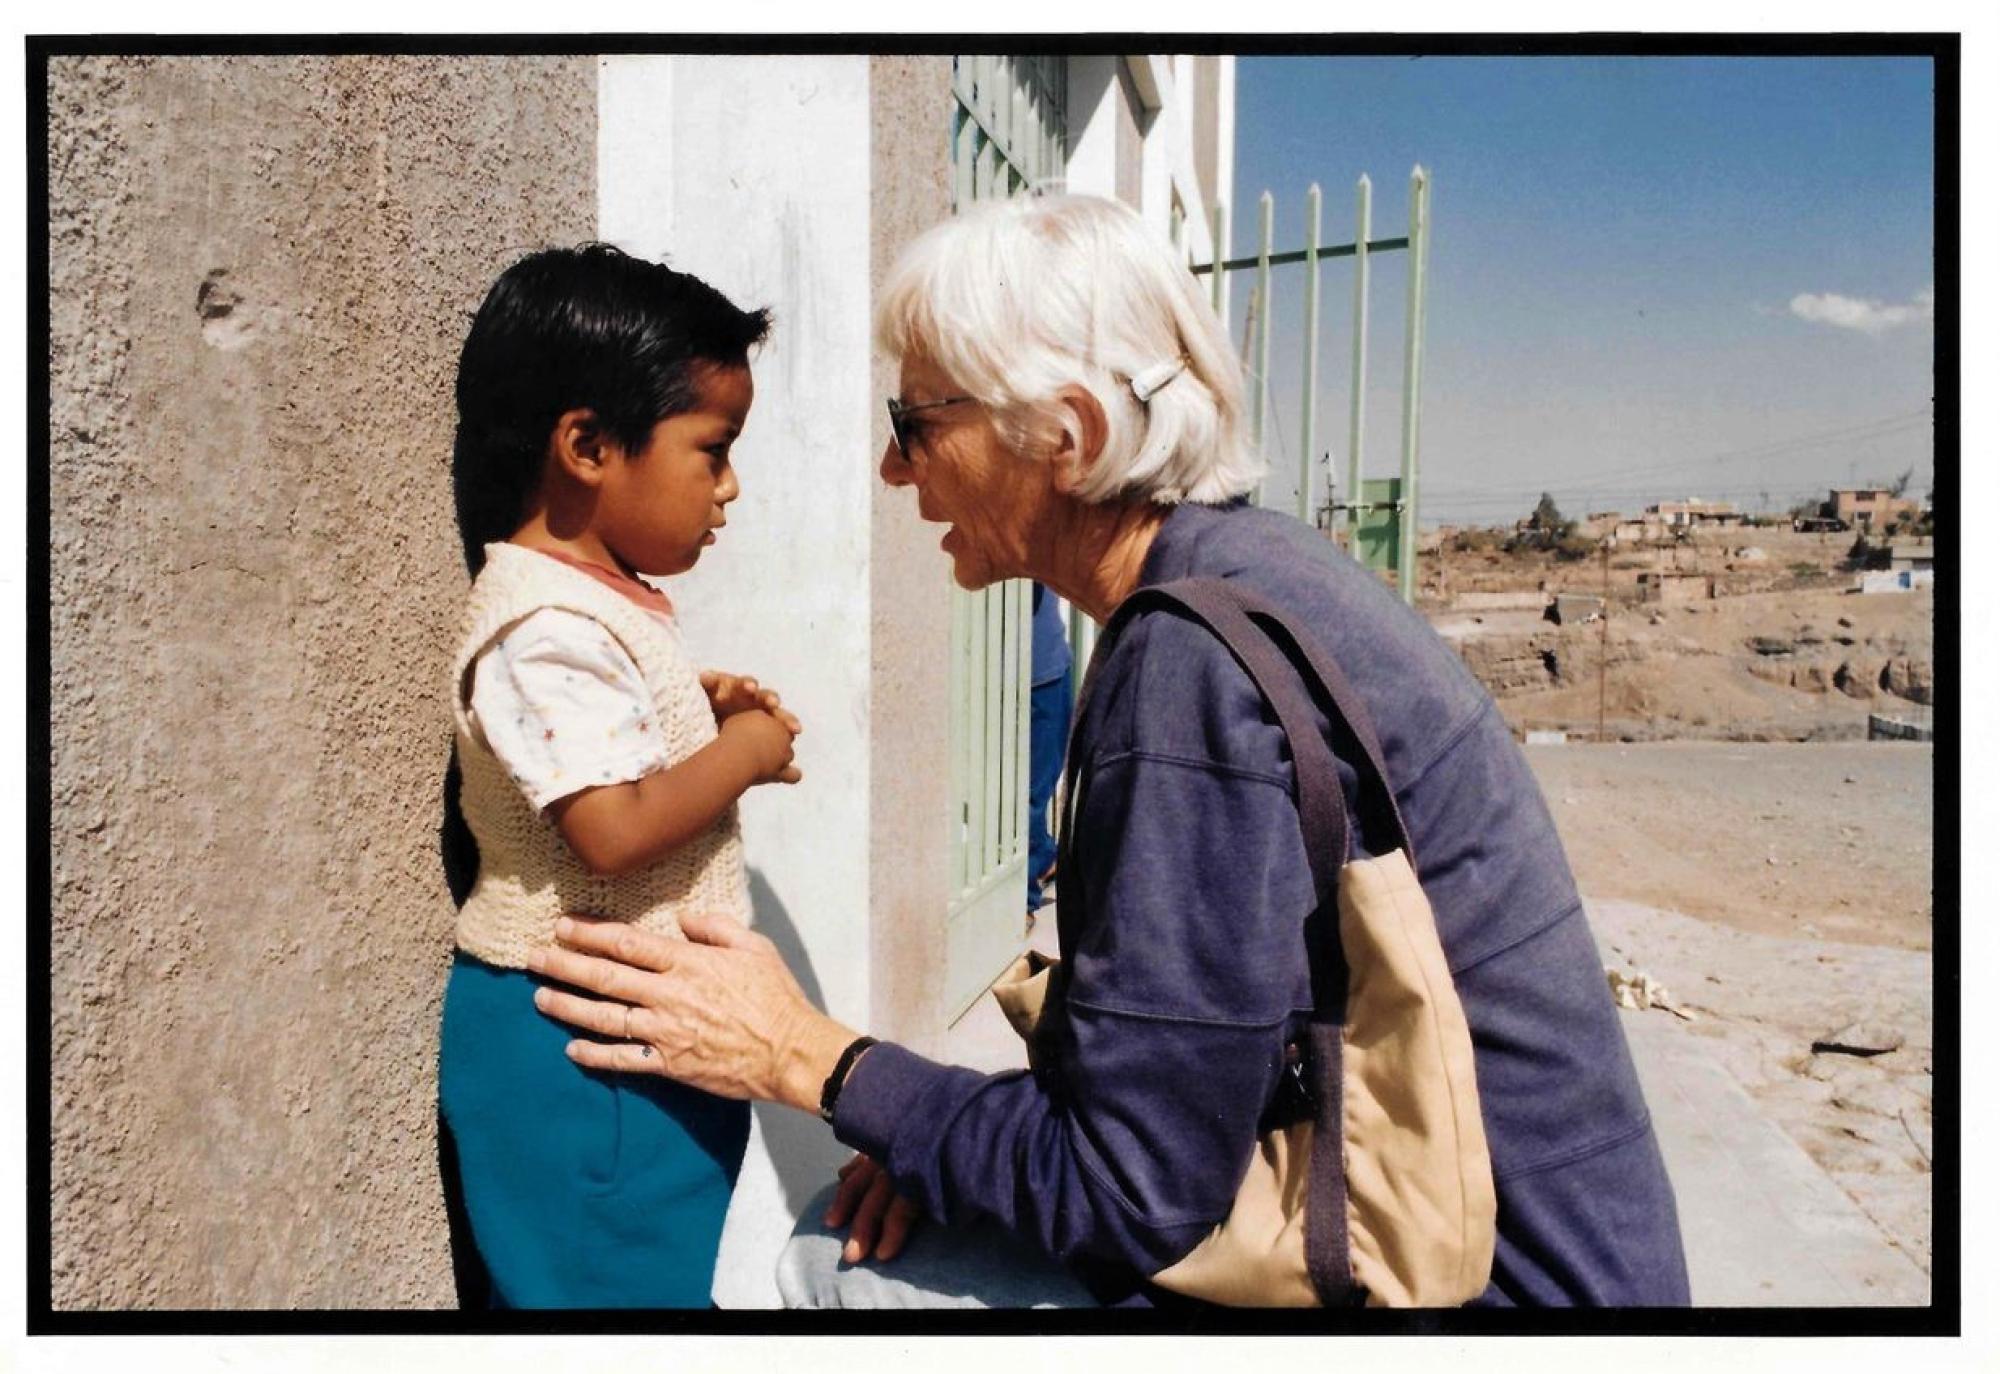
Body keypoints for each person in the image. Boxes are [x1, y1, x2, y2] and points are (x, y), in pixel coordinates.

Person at [526, 196, 1690, 1308]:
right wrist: (931, 1130)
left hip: (1482, 1294)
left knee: (831, 1270)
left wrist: (804, 1057)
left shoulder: (1189, 665)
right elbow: (1185, 1062)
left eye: (915, 424)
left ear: (1064, 437)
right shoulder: (1243, 575)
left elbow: (1132, 1193)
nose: (895, 470)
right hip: (1513, 1252)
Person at [440, 243, 803, 1308]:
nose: (728, 487)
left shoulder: (591, 603)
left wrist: (693, 702)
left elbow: (598, 729)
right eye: (713, 450)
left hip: (623, 1041)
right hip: (576, 1055)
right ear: (588, 446)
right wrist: (740, 754)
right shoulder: (539, 620)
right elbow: (605, 825)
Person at [1024, 582, 1072, 921]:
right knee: (1023, 800)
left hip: (1044, 670)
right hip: (1014, 674)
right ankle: (1022, 900)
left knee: (1034, 794)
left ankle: (1041, 858)